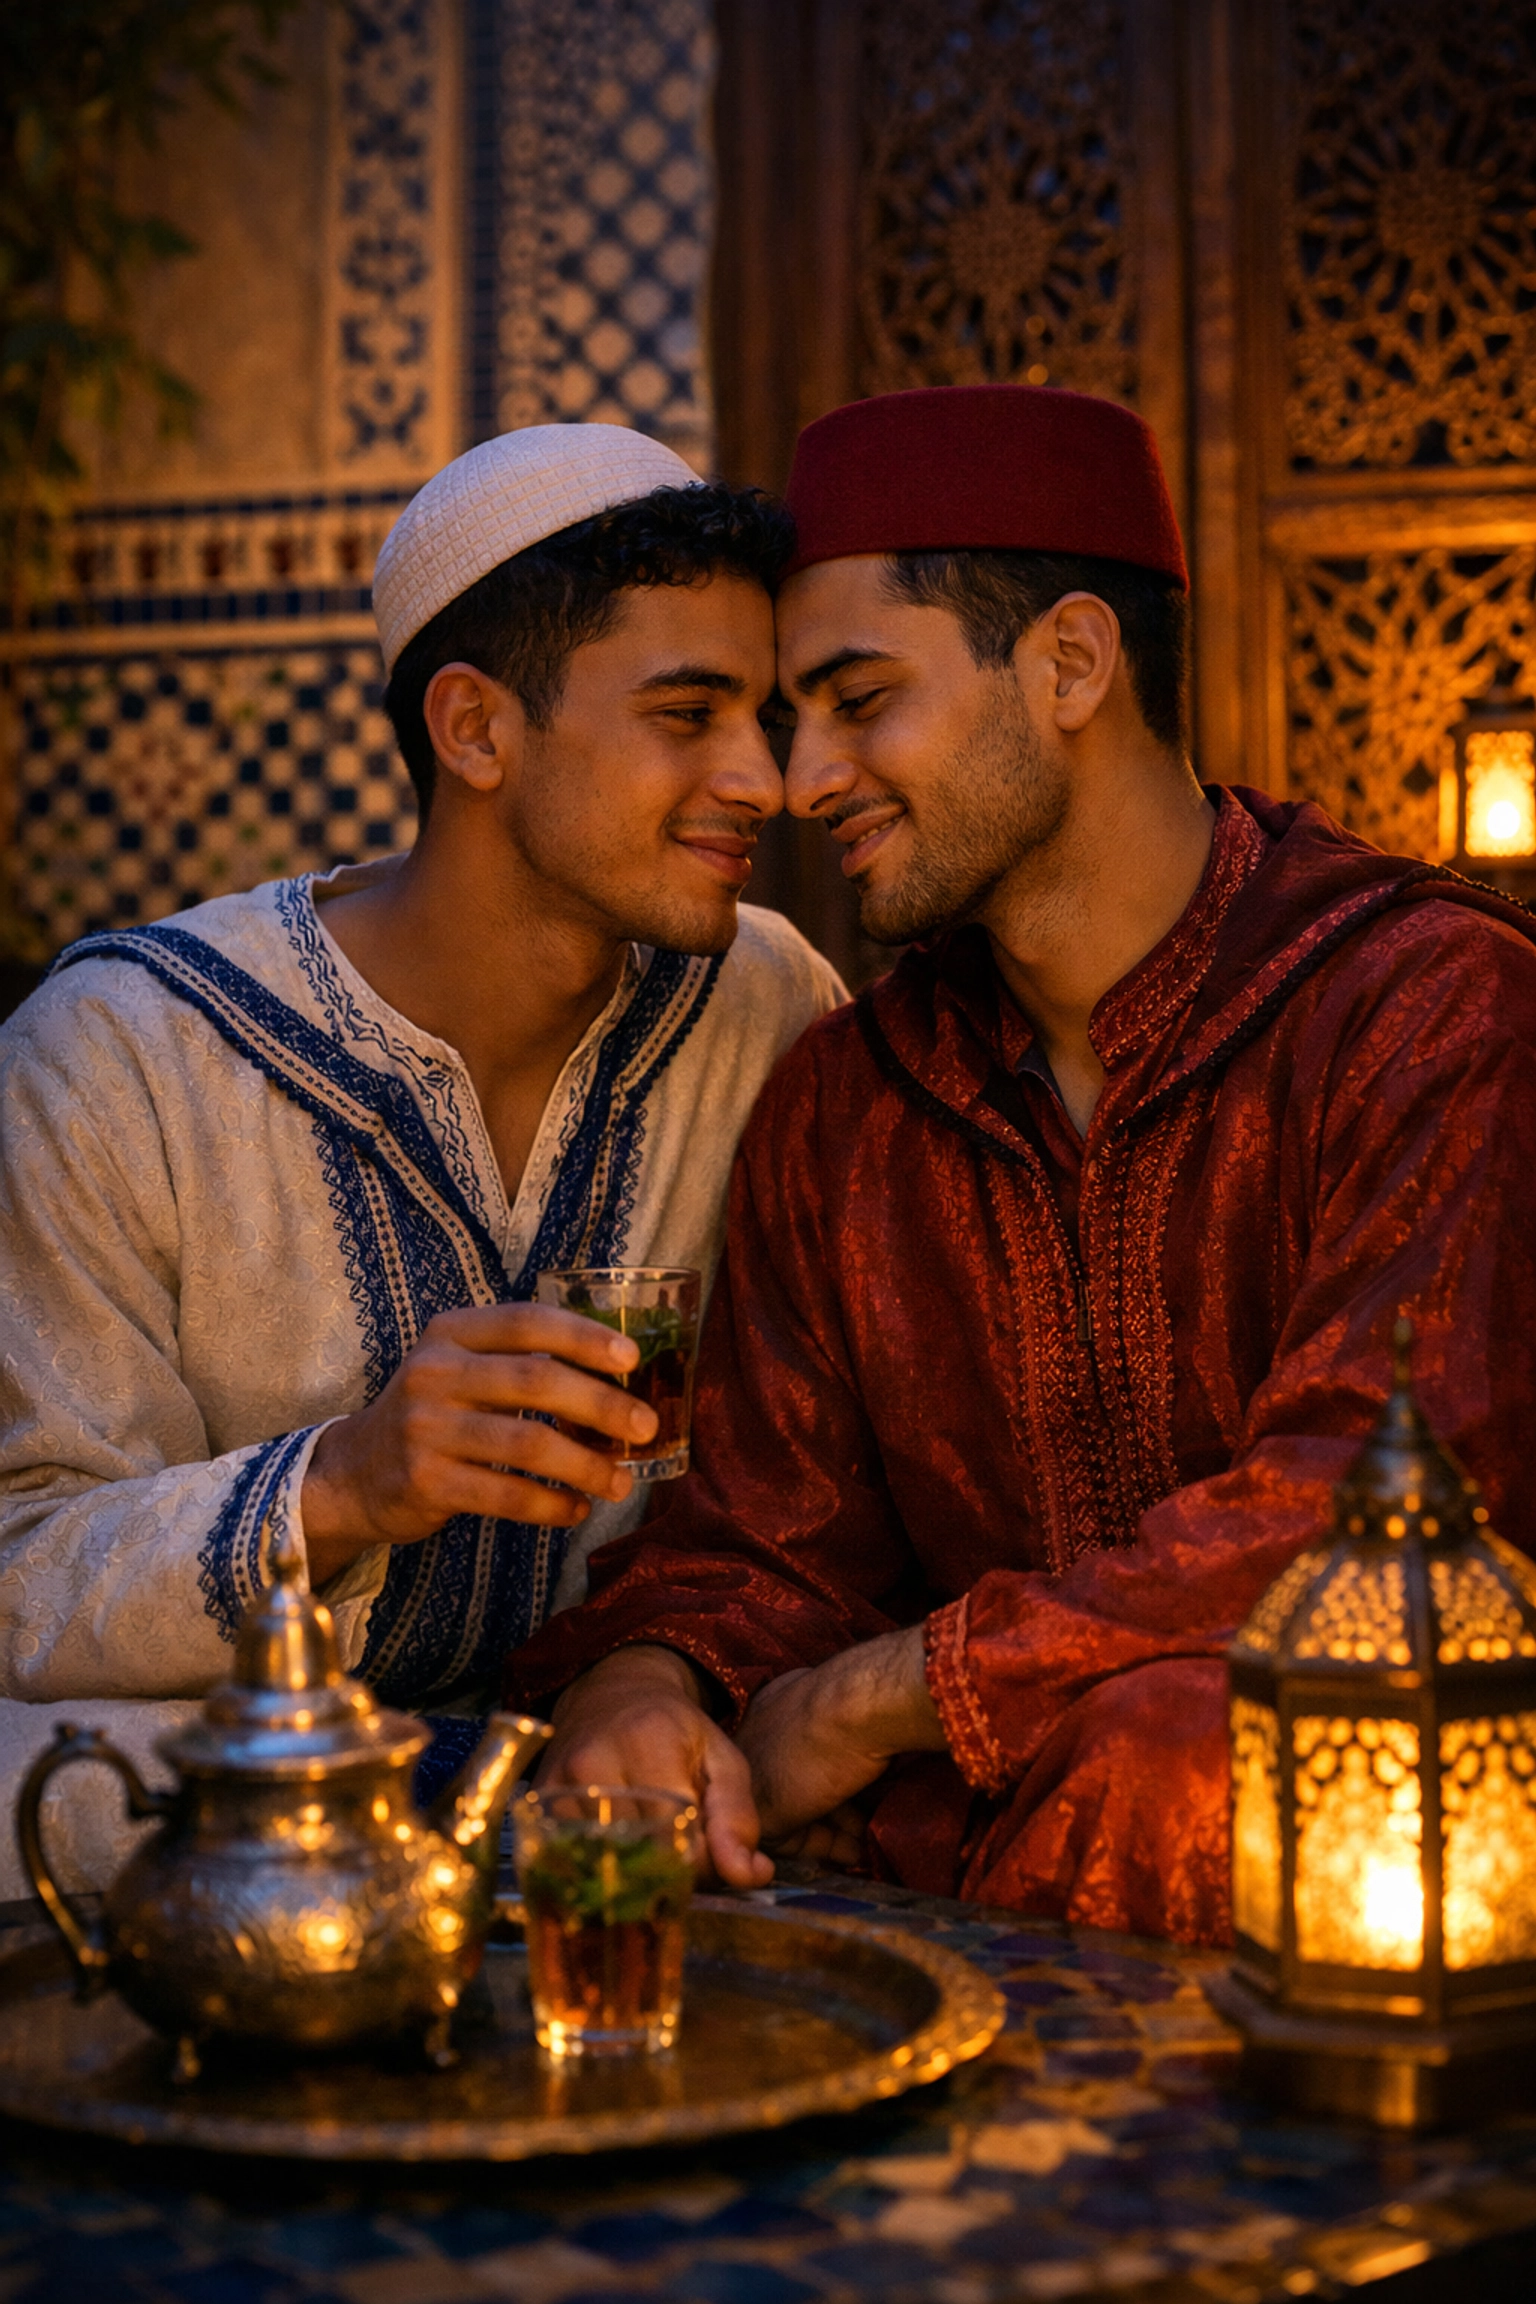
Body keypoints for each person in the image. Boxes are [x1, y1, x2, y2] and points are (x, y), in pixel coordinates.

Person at [511, 384, 1536, 1946]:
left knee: (1175, 1758)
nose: (801, 781)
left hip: (1400, 1859)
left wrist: (886, 1700)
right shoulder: (846, 1106)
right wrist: (644, 1690)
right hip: (976, 1854)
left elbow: (1358, 1522)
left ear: (1069, 663)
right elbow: (758, 1543)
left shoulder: (1423, 1009)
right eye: (798, 720)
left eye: (861, 699)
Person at [0, 423, 842, 1872]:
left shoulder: (768, 1003)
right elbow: (20, 1576)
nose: (764, 780)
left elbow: (816, 1482)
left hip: (631, 1736)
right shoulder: (121, 1053)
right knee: (39, 1783)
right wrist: (345, 1481)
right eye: (687, 714)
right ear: (475, 730)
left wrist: (652, 1674)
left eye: (764, 718)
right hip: (264, 1775)